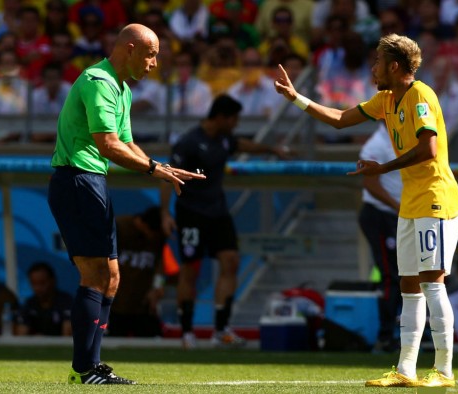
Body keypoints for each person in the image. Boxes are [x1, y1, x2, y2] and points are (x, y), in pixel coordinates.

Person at [274, 33, 458, 388]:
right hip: (412, 201)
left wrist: (382, 169)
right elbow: (341, 119)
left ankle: (444, 371)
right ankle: (406, 369)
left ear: (394, 66)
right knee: (409, 286)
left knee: (432, 283)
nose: (373, 67)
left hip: (436, 199)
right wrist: (296, 98)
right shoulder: (386, 99)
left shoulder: (420, 95)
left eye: (377, 61)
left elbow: (429, 150)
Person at [47, 23, 205, 385]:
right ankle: (85, 369)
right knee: (94, 275)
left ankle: (91, 365)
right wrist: (152, 169)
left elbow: (127, 142)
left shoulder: (122, 90)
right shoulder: (97, 82)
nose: (153, 64)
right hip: (77, 179)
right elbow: (107, 144)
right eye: (150, 54)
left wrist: (161, 168)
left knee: (112, 277)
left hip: (92, 181)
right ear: (130, 48)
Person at [160, 94, 290, 350]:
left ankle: (220, 329)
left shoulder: (223, 139)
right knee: (190, 270)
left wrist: (272, 150)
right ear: (221, 117)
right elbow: (168, 176)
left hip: (218, 213)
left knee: (230, 261)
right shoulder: (189, 142)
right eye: (234, 118)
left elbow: (242, 145)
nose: (236, 123)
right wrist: (165, 213)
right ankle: (187, 332)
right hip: (191, 213)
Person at [358, 123, 402, 353]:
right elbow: (370, 183)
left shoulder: (404, 137)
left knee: (405, 275)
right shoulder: (375, 145)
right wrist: (399, 206)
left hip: (398, 216)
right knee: (390, 275)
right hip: (381, 216)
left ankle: (400, 333)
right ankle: (386, 335)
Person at [108, 206, 167, 337]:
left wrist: (158, 287)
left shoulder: (159, 237)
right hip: (116, 305)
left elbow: (160, 265)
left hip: (143, 305)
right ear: (145, 225)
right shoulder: (118, 228)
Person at [16, 262, 73, 336]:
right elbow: (21, 335)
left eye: (42, 283)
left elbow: (68, 335)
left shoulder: (66, 302)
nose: (38, 288)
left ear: (52, 281)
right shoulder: (29, 304)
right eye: (34, 283)